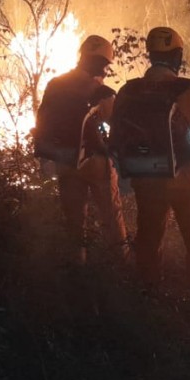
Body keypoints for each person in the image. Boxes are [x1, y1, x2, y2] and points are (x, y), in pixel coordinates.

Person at [109, 27, 190, 322]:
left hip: (145, 178)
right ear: (177, 57)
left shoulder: (128, 91)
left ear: (150, 56)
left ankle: (148, 297)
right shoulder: (187, 90)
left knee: (149, 235)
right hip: (186, 179)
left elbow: (115, 139)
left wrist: (127, 177)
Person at [34, 35, 128, 266]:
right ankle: (120, 266)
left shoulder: (55, 84)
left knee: (74, 221)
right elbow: (118, 125)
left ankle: (78, 268)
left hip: (64, 160)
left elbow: (42, 119)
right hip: (95, 162)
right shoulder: (100, 91)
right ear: (101, 64)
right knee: (111, 215)